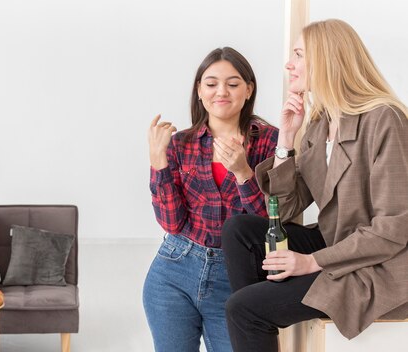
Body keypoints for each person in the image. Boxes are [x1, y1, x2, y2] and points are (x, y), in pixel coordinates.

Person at [222, 19, 408, 352]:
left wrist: (310, 262)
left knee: (244, 308)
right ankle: (259, 323)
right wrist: (286, 138)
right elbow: (286, 210)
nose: (288, 65)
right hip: (338, 242)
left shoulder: (385, 119)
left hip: (383, 265)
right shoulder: (321, 124)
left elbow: (391, 231)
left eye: (298, 55)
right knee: (240, 230)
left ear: (326, 59)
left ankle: (256, 317)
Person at [143, 47, 279, 352]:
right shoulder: (180, 144)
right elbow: (172, 222)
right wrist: (157, 162)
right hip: (173, 271)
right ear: (199, 91)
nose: (222, 92)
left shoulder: (271, 142)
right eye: (211, 83)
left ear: (248, 90)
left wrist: (244, 172)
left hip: (237, 277)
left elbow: (269, 222)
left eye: (232, 84)